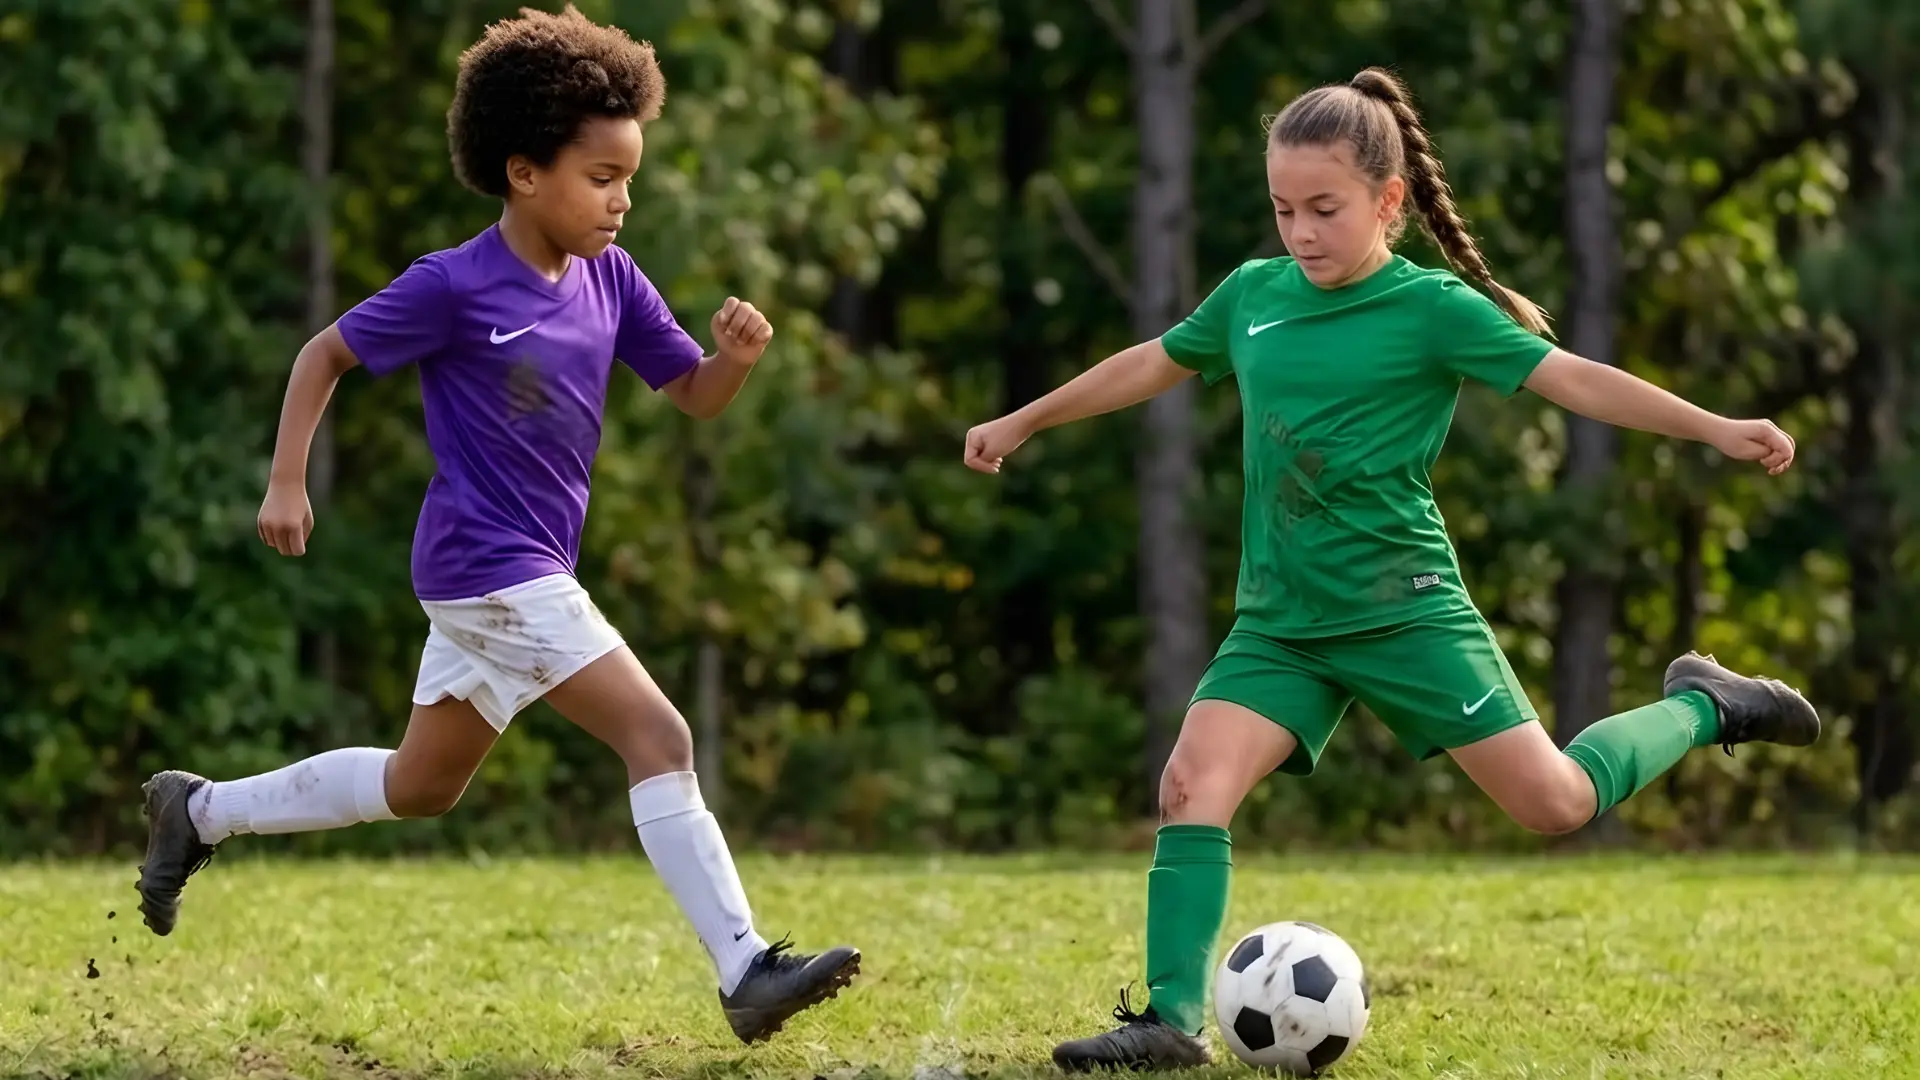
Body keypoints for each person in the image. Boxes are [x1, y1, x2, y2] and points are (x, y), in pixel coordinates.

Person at [962, 67, 1821, 1071]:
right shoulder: (1252, 296)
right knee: (1190, 784)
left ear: (1390, 200)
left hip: (1405, 612)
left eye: (1324, 209)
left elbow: (1575, 380)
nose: (1301, 232)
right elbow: (1152, 359)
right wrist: (1026, 419)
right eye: (1284, 209)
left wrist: (1714, 427)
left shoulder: (1433, 311)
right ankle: (1166, 1022)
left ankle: (1708, 703)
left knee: (1557, 805)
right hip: (1282, 622)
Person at [134, 4, 859, 1046]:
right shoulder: (455, 283)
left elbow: (691, 393)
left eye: (629, 180)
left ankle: (195, 813)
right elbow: (321, 355)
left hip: (518, 570)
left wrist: (736, 360)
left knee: (419, 785)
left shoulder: (611, 278)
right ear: (524, 173)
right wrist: (286, 480)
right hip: (488, 567)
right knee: (660, 736)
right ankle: (746, 968)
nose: (621, 201)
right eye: (601, 178)